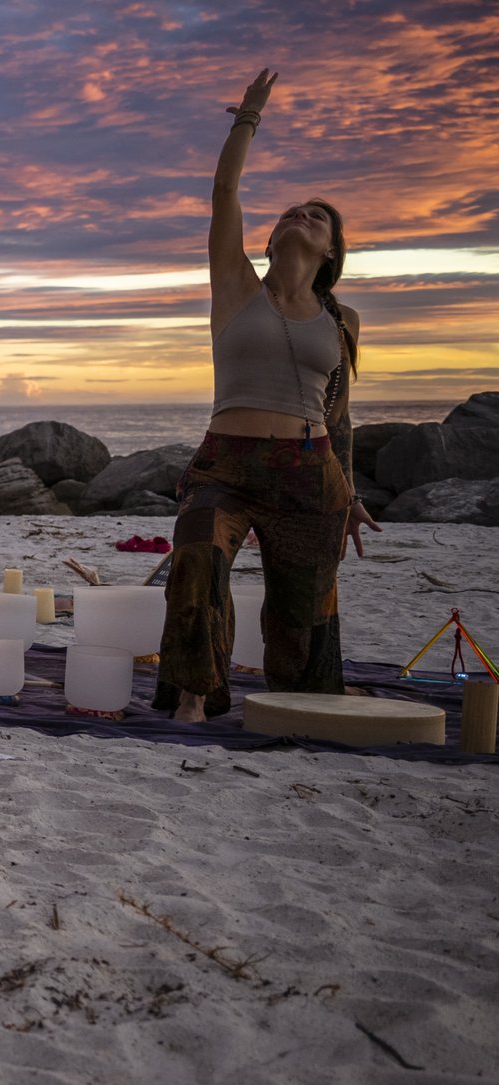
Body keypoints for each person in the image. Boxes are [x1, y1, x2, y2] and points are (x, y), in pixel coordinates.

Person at [157, 68, 371, 722]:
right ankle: (195, 693)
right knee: (197, 558)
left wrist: (350, 492)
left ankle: (303, 695)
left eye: (316, 217)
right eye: (289, 214)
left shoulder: (342, 320)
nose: (300, 217)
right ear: (271, 239)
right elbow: (224, 191)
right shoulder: (236, 285)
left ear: (330, 250)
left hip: (310, 471)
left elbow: (339, 415)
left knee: (304, 606)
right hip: (226, 462)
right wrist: (247, 119)